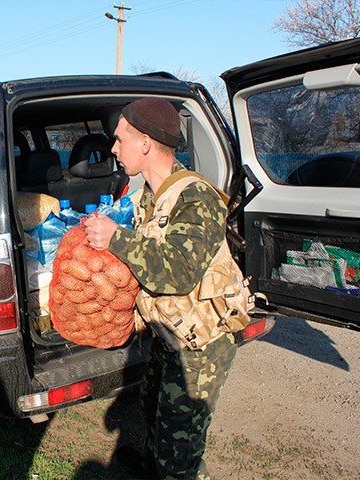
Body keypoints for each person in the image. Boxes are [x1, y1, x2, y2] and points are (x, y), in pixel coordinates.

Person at [84, 97, 238, 479]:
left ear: (146, 143)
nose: (114, 148)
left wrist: (116, 239)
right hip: (170, 334)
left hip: (199, 346)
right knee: (153, 407)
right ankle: (155, 464)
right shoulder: (153, 195)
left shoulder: (195, 197)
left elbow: (178, 272)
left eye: (120, 140)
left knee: (180, 450)